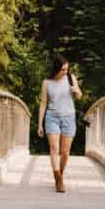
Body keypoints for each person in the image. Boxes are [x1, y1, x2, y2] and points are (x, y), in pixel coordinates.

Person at [37, 58, 82, 192]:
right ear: (56, 69)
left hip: (69, 117)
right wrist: (40, 124)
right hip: (52, 117)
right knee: (54, 148)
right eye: (63, 69)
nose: (65, 72)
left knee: (65, 152)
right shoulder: (47, 83)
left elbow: (79, 96)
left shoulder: (70, 78)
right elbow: (43, 103)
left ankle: (60, 173)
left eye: (67, 69)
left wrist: (76, 91)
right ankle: (58, 178)